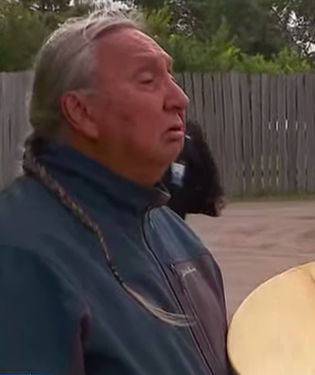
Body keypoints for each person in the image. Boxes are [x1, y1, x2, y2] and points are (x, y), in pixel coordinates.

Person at [0, 10, 231, 375]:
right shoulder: (19, 256)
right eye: (147, 80)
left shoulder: (179, 239)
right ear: (82, 111)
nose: (179, 97)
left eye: (169, 75)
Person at [162, 119, 225, 220]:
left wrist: (215, 192)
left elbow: (207, 166)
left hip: (174, 199)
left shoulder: (190, 135)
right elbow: (208, 167)